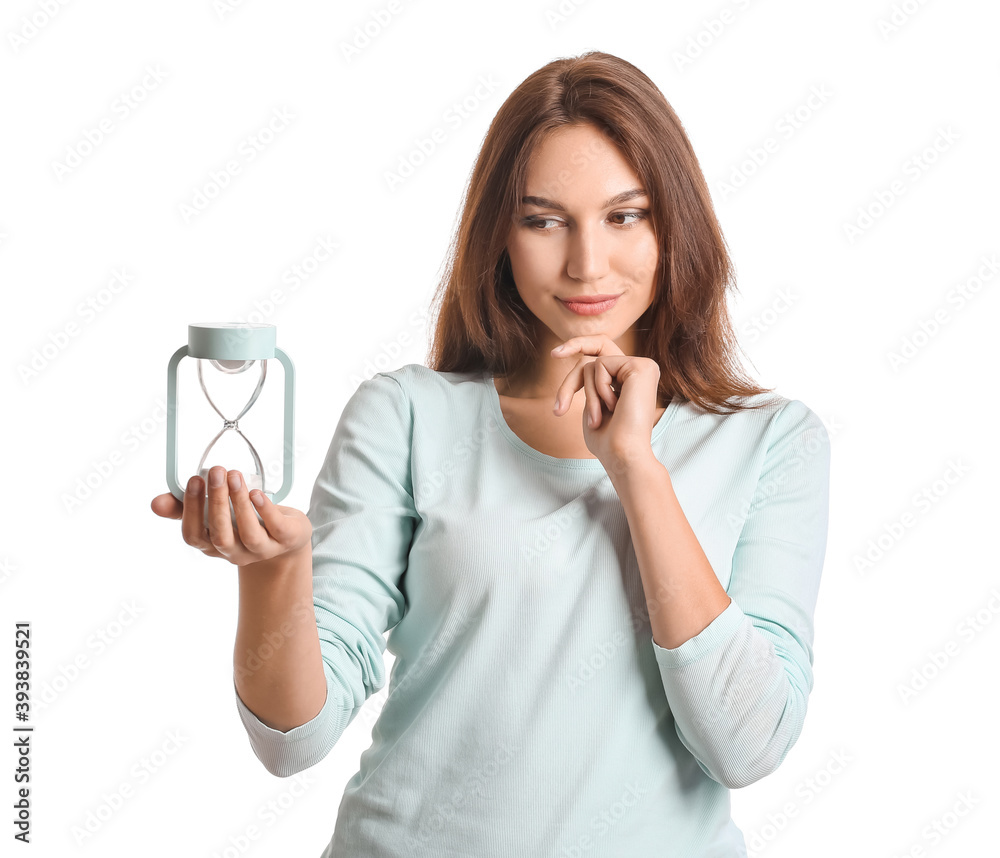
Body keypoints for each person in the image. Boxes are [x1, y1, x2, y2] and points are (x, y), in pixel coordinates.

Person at [151, 50, 831, 858]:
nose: (586, 264)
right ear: (499, 236)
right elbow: (291, 740)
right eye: (543, 220)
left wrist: (637, 472)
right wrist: (272, 571)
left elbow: (748, 745)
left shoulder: (771, 440)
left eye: (625, 216)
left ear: (674, 222)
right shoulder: (406, 414)